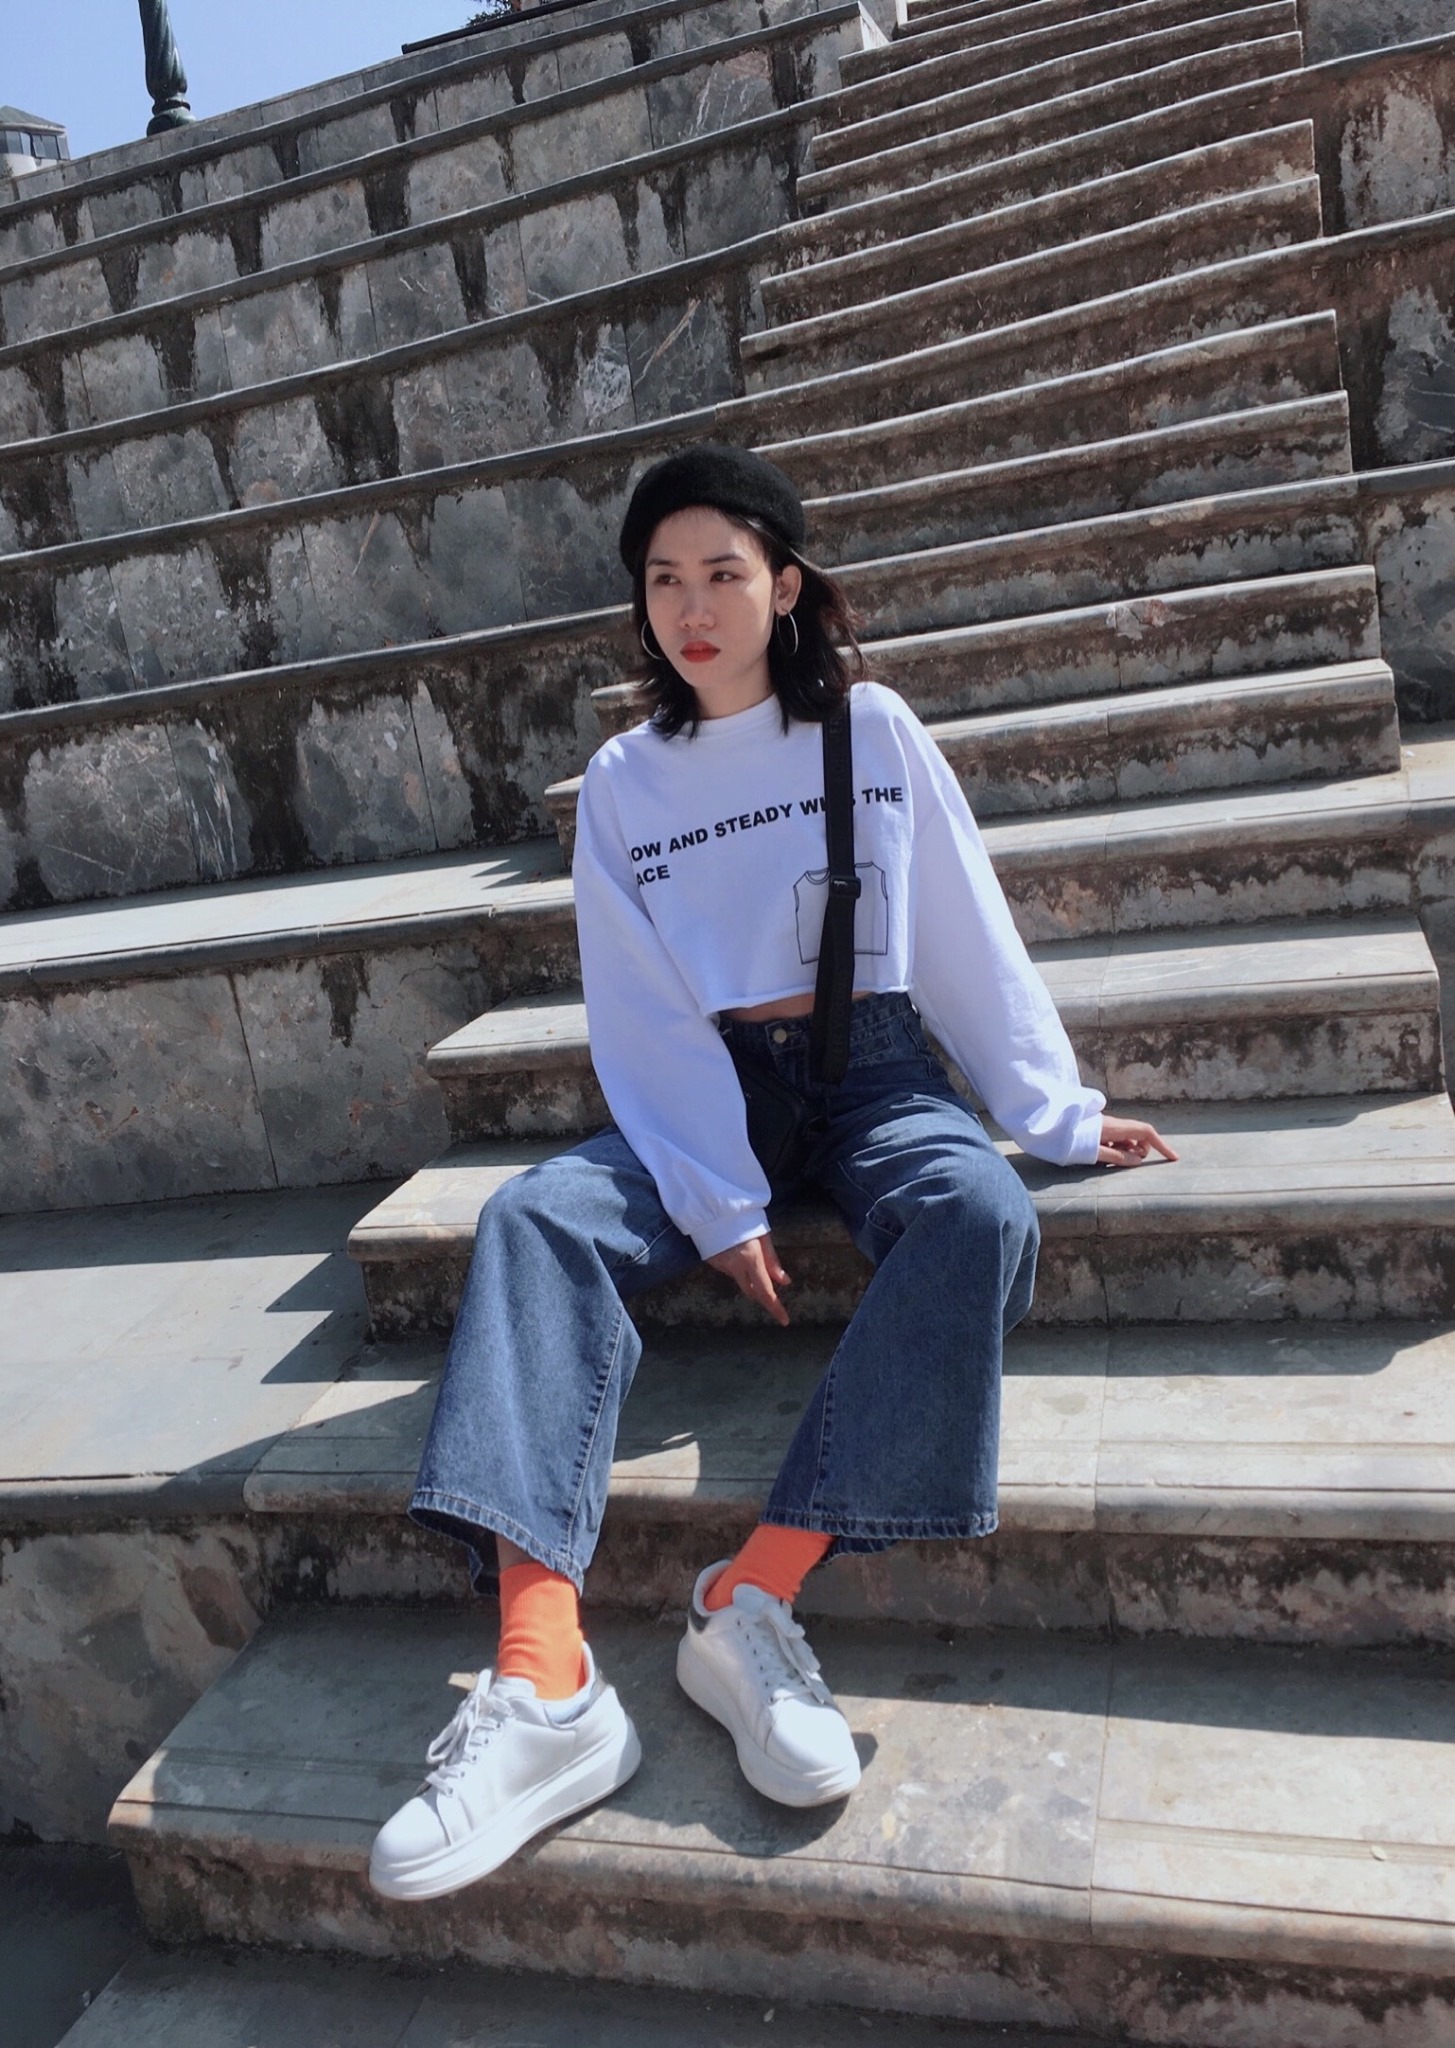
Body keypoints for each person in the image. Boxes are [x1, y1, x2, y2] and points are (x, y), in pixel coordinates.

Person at [369, 443, 1176, 1902]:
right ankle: (545, 1681)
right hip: (711, 1085)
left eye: (724, 574)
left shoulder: (870, 728)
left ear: (786, 586)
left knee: (978, 1211)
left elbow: (961, 929)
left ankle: (751, 1597)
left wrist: (1052, 1112)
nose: (693, 607)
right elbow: (640, 1007)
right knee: (535, 1219)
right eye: (663, 579)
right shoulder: (623, 782)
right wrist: (716, 1194)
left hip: (877, 1073)